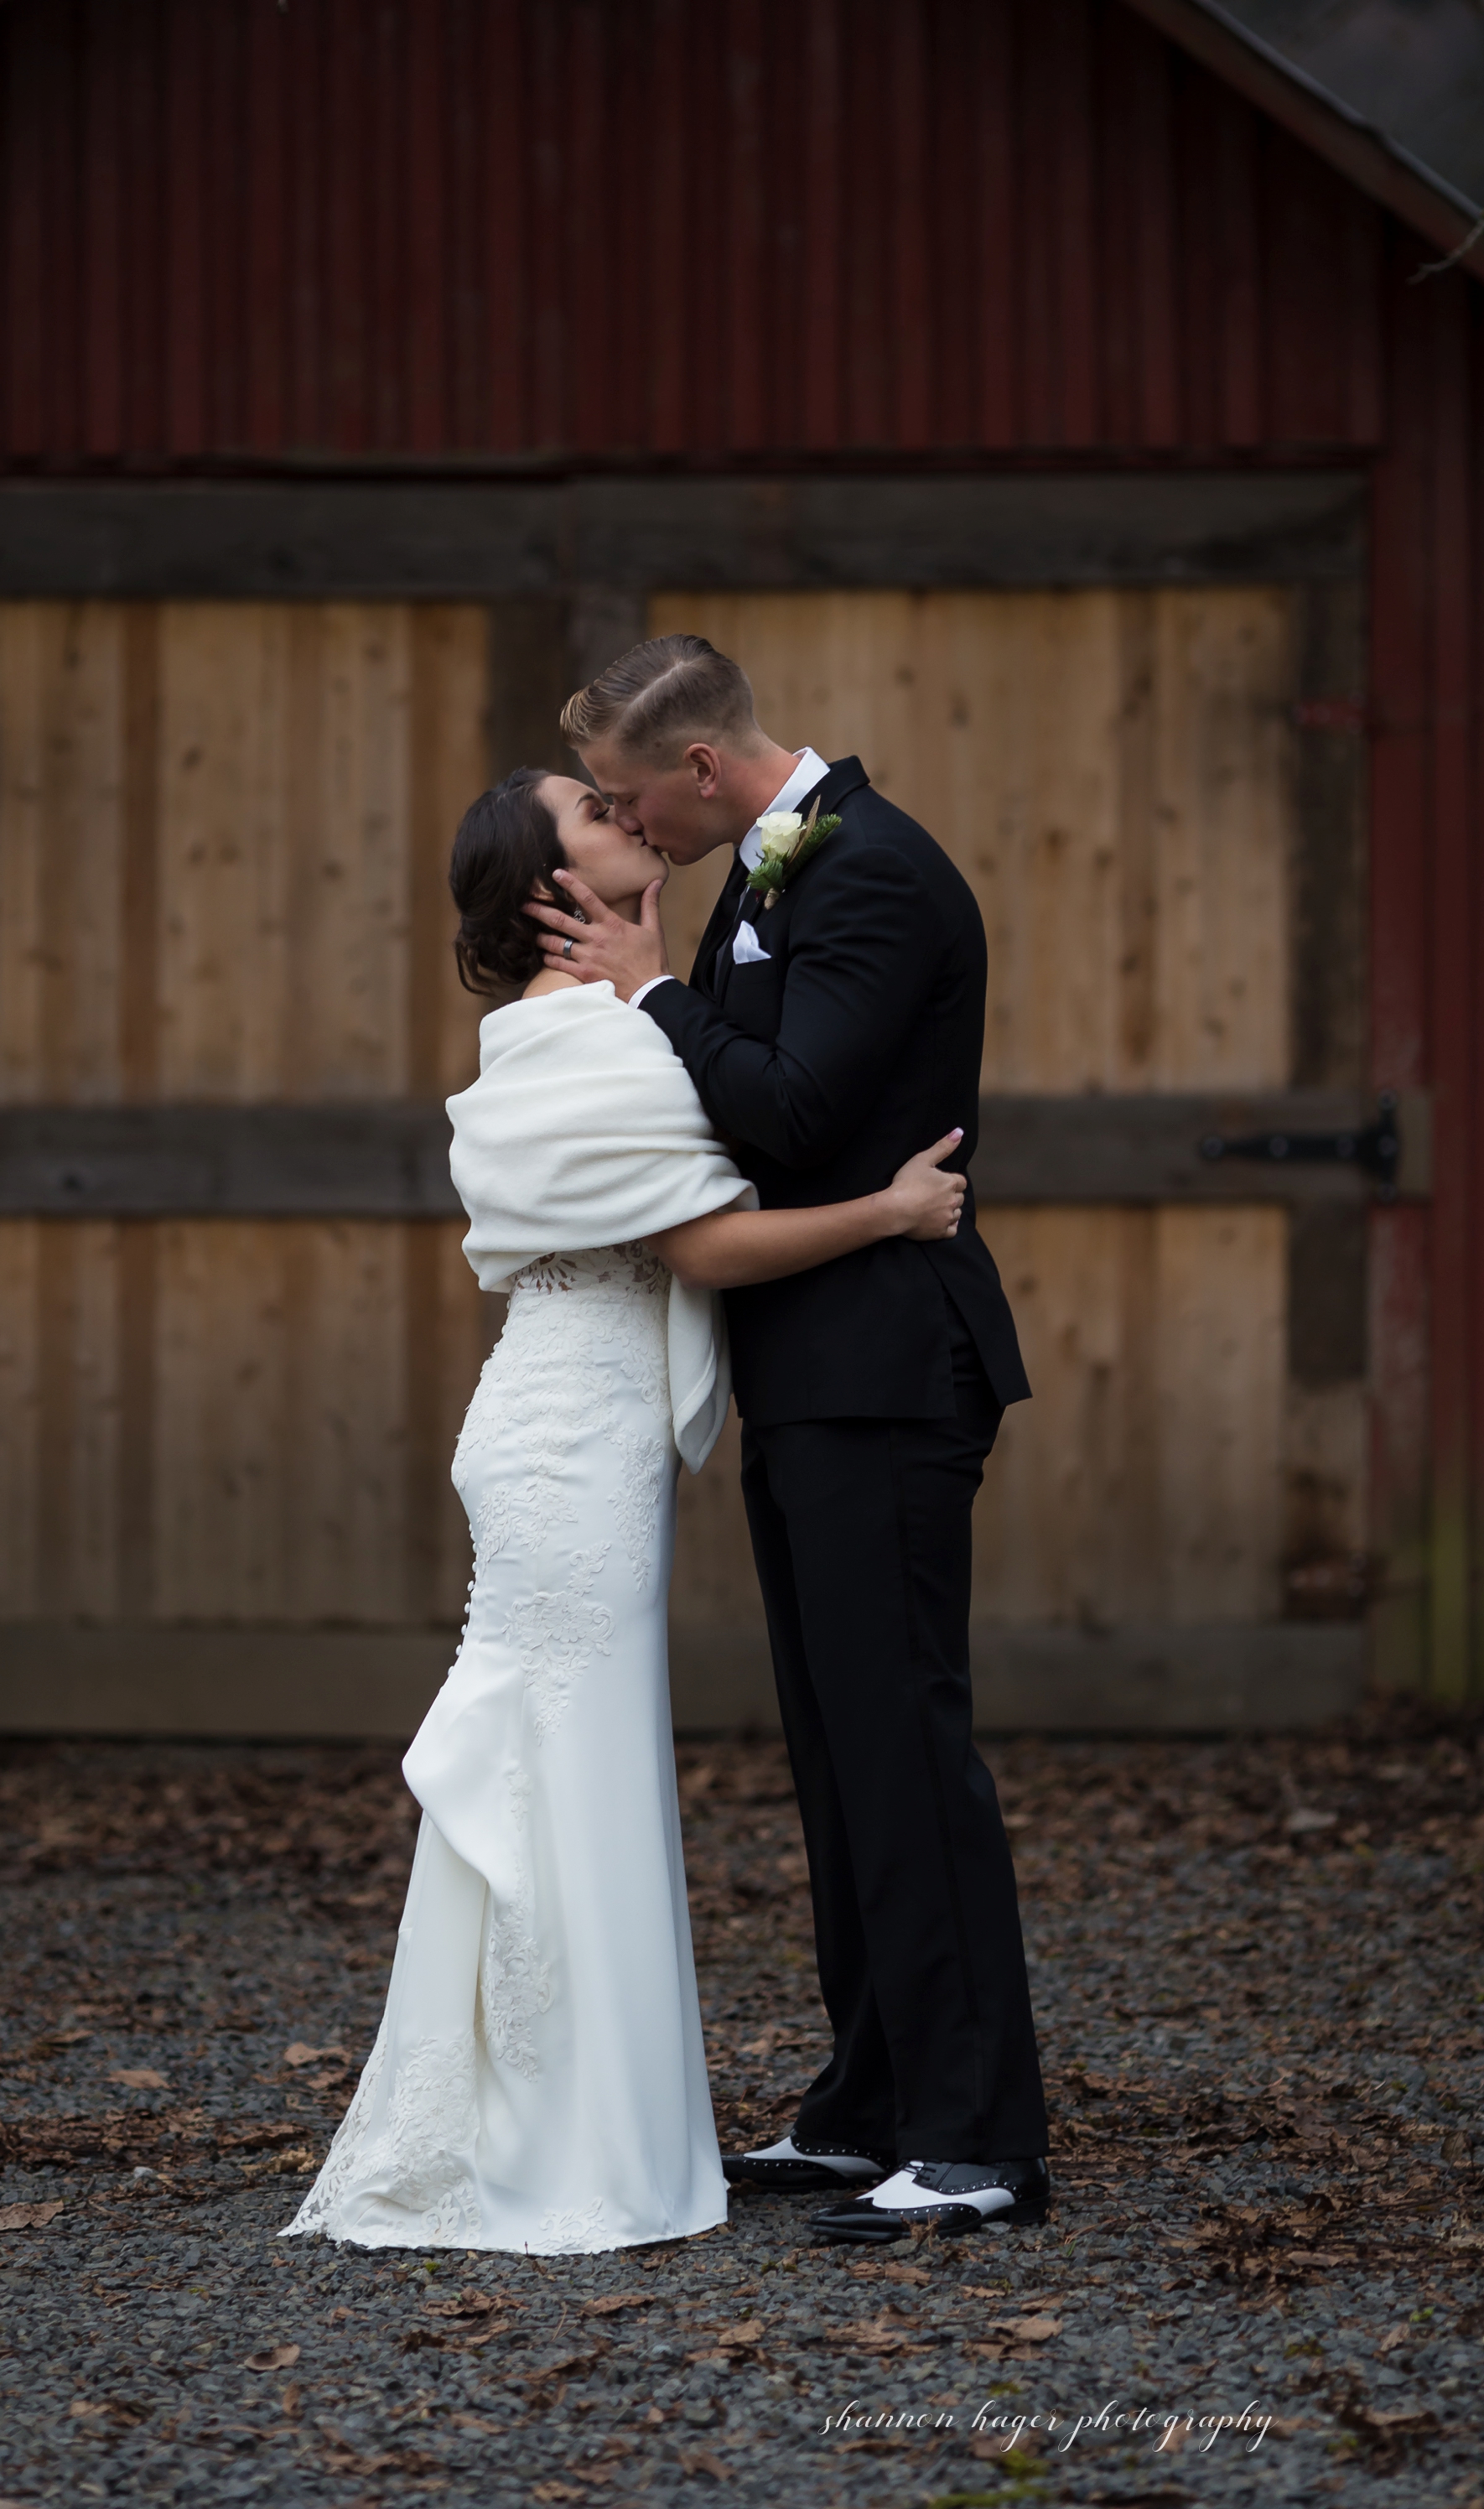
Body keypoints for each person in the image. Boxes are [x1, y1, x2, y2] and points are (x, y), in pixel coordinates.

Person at [282, 766, 967, 2256]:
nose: (630, 811)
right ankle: (551, 2141)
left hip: (572, 1431)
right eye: (596, 806)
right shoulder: (581, 1038)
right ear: (551, 885)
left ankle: (544, 2113)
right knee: (566, 1770)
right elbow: (710, 1247)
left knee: (561, 1763)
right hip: (565, 1447)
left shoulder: (612, 1015)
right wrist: (890, 1213)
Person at [524, 635, 1049, 2245]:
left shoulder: (873, 873)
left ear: (696, 771)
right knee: (837, 1754)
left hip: (890, 1366)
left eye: (627, 796)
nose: (624, 824)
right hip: (812, 1371)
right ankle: (867, 2106)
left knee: (905, 1751)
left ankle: (975, 2142)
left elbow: (798, 1108)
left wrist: (655, 993)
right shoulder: (767, 874)